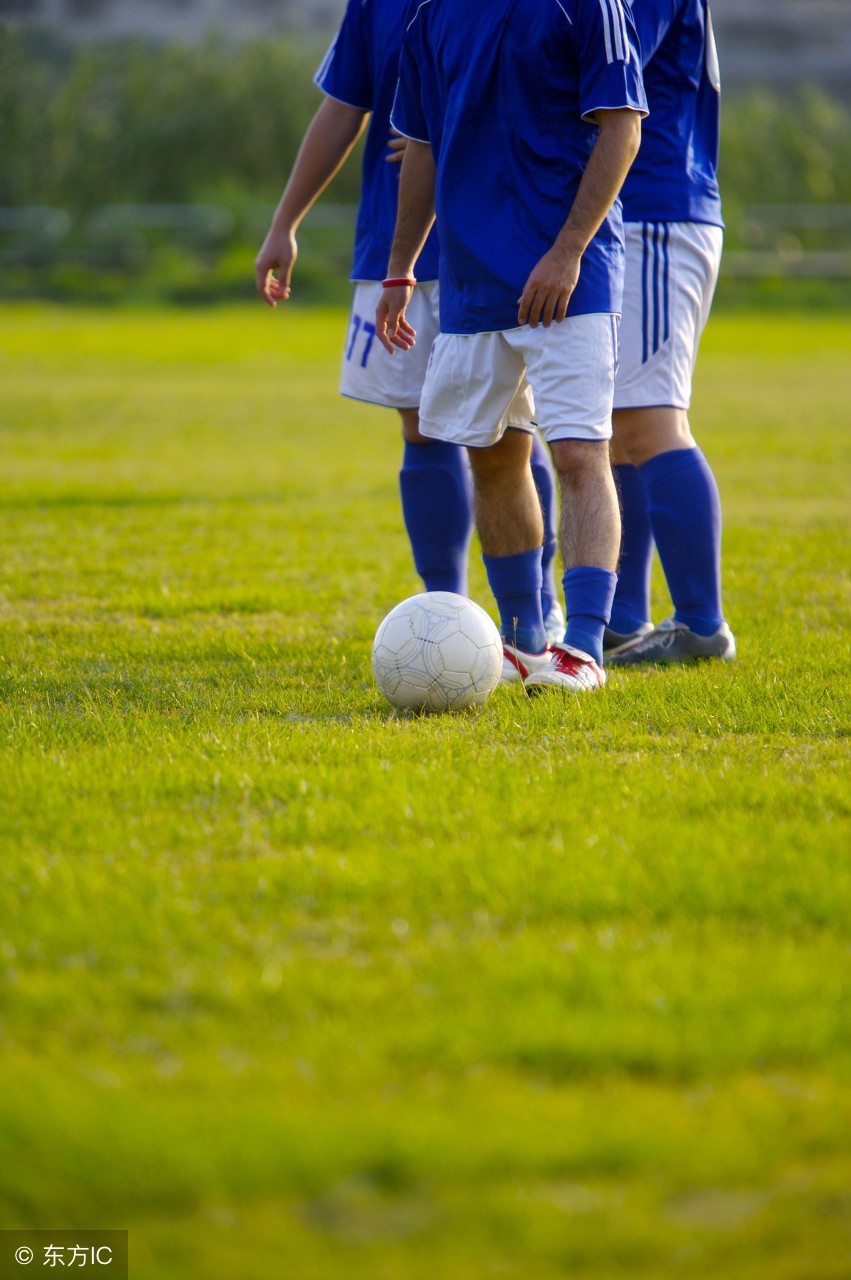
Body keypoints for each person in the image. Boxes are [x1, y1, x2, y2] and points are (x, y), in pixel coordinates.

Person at [254, 0, 564, 640]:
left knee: (509, 425)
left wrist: (447, 133)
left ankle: (532, 611)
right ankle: (445, 614)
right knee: (420, 424)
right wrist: (285, 222)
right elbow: (343, 105)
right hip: (394, 242)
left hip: (496, 239)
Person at [377, 0, 646, 694]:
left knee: (579, 451)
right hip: (471, 280)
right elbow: (424, 150)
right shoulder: (429, 15)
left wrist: (567, 252)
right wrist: (401, 268)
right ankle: (523, 639)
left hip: (567, 278)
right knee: (492, 456)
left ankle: (581, 647)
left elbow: (622, 130)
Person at [605, 0, 736, 665]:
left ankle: (699, 626)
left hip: (653, 208)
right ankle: (622, 616)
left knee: (647, 419)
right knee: (615, 427)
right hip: (637, 210)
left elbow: (609, 62)